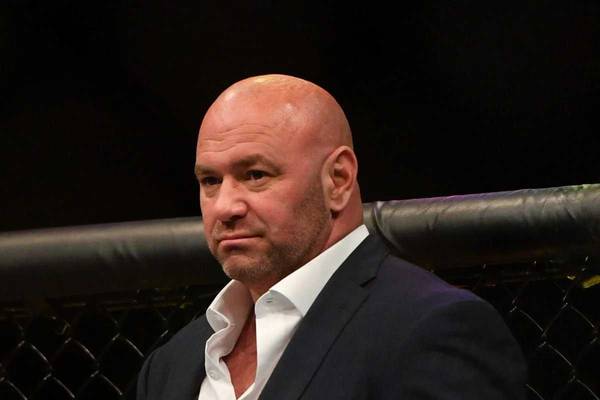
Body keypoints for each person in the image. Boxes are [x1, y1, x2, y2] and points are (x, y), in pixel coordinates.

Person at [136, 74, 527, 399]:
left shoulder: (431, 328)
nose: (225, 206)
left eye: (255, 175)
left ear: (338, 180)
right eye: (210, 180)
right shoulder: (172, 364)